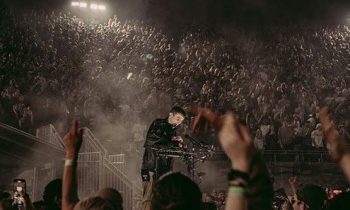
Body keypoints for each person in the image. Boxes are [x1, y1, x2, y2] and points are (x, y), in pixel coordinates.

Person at [141, 106, 186, 209]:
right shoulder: (158, 123)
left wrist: (179, 144)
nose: (179, 122)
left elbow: (169, 147)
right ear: (171, 114)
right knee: (148, 197)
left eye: (181, 121)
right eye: (178, 118)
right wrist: (172, 139)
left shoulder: (172, 131)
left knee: (161, 197)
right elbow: (152, 139)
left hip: (163, 169)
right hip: (150, 167)